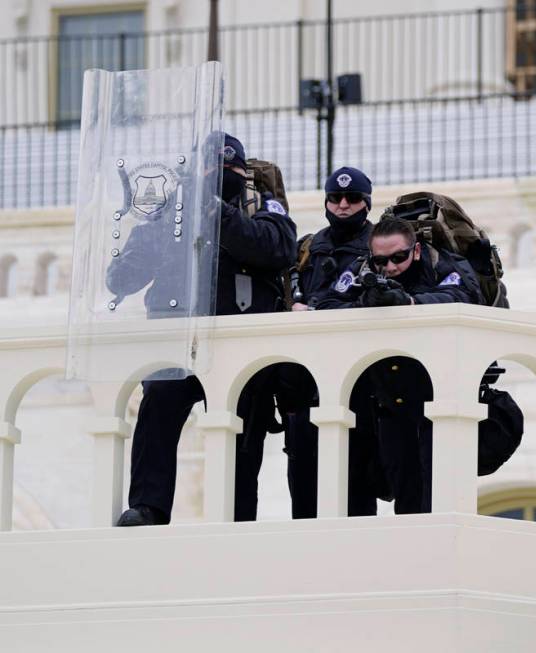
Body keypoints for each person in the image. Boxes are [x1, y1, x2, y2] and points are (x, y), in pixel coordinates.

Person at [115, 133, 297, 526]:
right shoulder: (172, 210)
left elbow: (276, 248)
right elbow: (121, 278)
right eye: (211, 168)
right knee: (159, 405)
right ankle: (149, 507)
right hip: (181, 342)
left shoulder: (259, 205)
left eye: (229, 167)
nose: (220, 174)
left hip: (242, 346)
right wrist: (155, 222)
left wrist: (215, 210)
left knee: (241, 444)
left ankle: (235, 522)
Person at [323, 217, 484, 513]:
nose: (391, 267)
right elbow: (325, 306)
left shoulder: (441, 264)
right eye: (381, 260)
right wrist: (364, 306)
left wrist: (410, 303)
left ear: (417, 251)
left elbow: (465, 297)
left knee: (442, 495)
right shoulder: (362, 271)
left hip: (438, 397)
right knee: (406, 494)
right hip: (390, 403)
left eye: (399, 257)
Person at [274, 166, 383, 519]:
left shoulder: (380, 248)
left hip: (358, 386)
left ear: (366, 203)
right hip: (305, 385)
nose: (343, 205)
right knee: (304, 492)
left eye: (352, 199)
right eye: (335, 198)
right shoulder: (307, 248)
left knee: (356, 495)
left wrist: (318, 309)